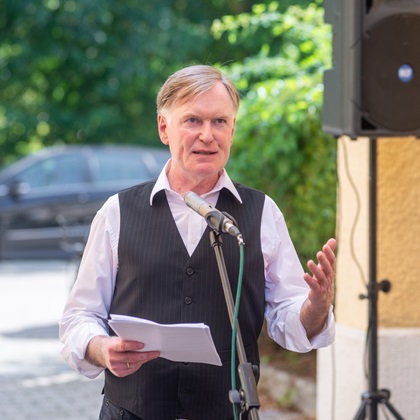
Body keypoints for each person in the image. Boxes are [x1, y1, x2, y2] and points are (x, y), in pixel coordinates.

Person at [59, 64, 336, 420]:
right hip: (132, 411)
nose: (207, 135)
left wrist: (314, 307)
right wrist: (100, 348)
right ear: (164, 127)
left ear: (232, 129)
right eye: (192, 121)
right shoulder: (117, 212)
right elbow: (79, 317)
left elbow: (288, 318)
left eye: (219, 121)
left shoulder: (262, 212)